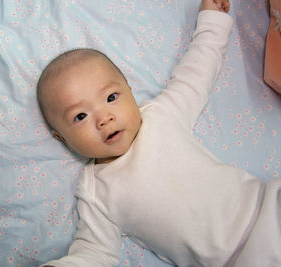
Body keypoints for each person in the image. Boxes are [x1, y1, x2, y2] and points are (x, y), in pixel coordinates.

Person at [37, 0, 281, 266]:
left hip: (268, 207)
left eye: (111, 97)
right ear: (61, 137)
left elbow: (197, 73)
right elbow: (94, 252)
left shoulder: (159, 115)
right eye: (80, 116)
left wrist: (213, 22)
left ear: (129, 90)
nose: (104, 118)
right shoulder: (96, 193)